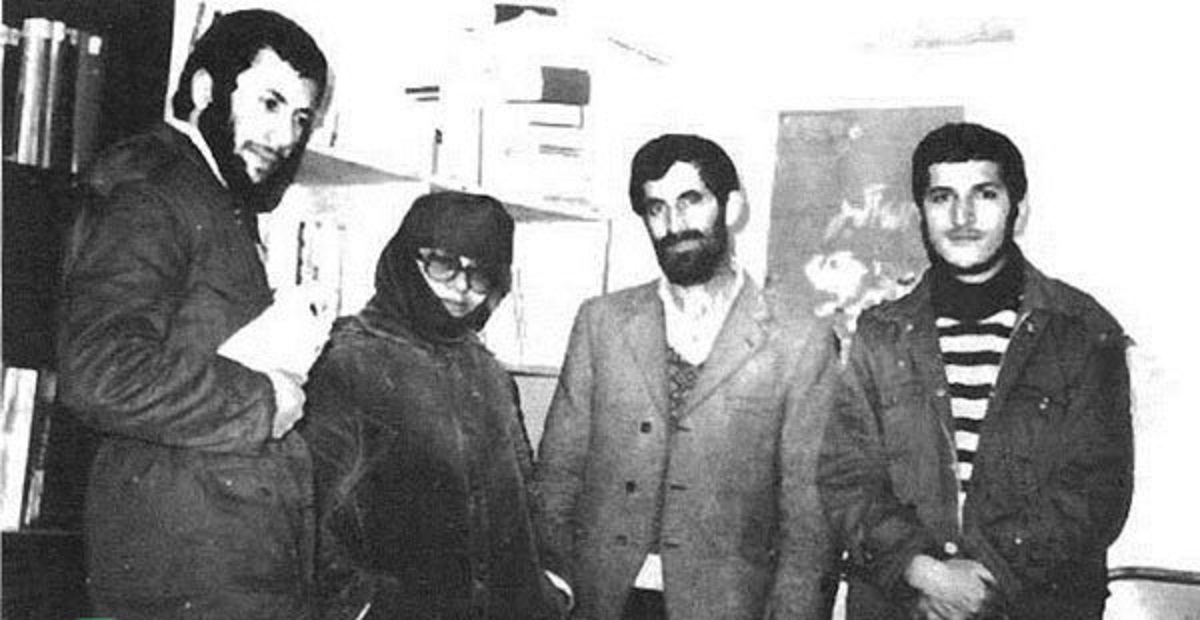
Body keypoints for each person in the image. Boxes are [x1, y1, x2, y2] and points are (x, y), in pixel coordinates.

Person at [57, 10, 331, 619]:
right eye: (269, 103)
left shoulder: (213, 196)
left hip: (222, 562)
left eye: (300, 118)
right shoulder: (155, 190)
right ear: (206, 89)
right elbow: (101, 372)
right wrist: (263, 400)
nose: (285, 136)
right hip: (184, 568)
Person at [818, 122, 1133, 619]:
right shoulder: (880, 333)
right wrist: (925, 573)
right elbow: (846, 477)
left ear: (1018, 210)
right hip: (903, 604)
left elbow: (1095, 490)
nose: (961, 216)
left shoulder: (1082, 331)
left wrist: (986, 580)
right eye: (942, 197)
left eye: (984, 194)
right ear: (920, 213)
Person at [535, 133, 841, 619]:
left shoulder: (801, 340)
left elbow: (810, 520)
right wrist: (554, 594)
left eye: (690, 200)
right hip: (600, 601)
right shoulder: (602, 322)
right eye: (656, 209)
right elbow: (557, 475)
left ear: (732, 207)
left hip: (728, 607)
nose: (673, 225)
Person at [300, 191, 570, 619]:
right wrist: (366, 607)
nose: (462, 288)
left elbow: (528, 498)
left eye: (480, 275)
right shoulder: (348, 362)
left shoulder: (490, 374)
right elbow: (307, 514)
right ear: (406, 260)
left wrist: (553, 585)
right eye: (444, 265)